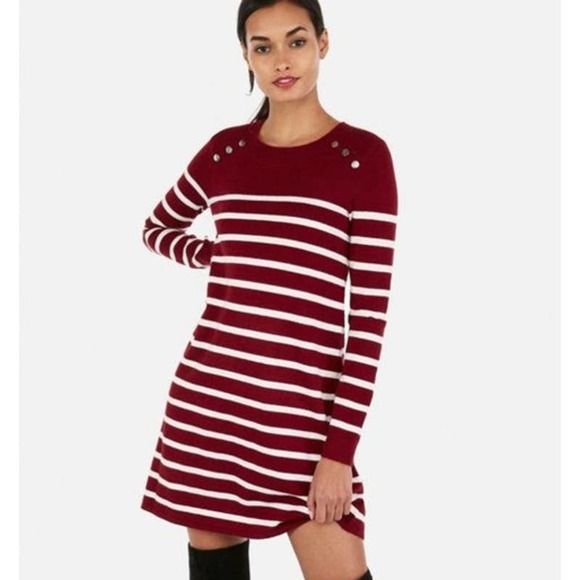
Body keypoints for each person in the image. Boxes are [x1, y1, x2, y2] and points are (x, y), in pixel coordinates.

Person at [139, 1, 399, 578]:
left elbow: (369, 323)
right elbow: (157, 228)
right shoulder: (225, 151)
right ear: (246, 56)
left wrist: (339, 454)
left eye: (296, 41)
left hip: (303, 424)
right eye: (263, 46)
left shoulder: (362, 158)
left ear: (323, 44)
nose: (281, 60)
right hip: (209, 409)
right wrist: (216, 255)